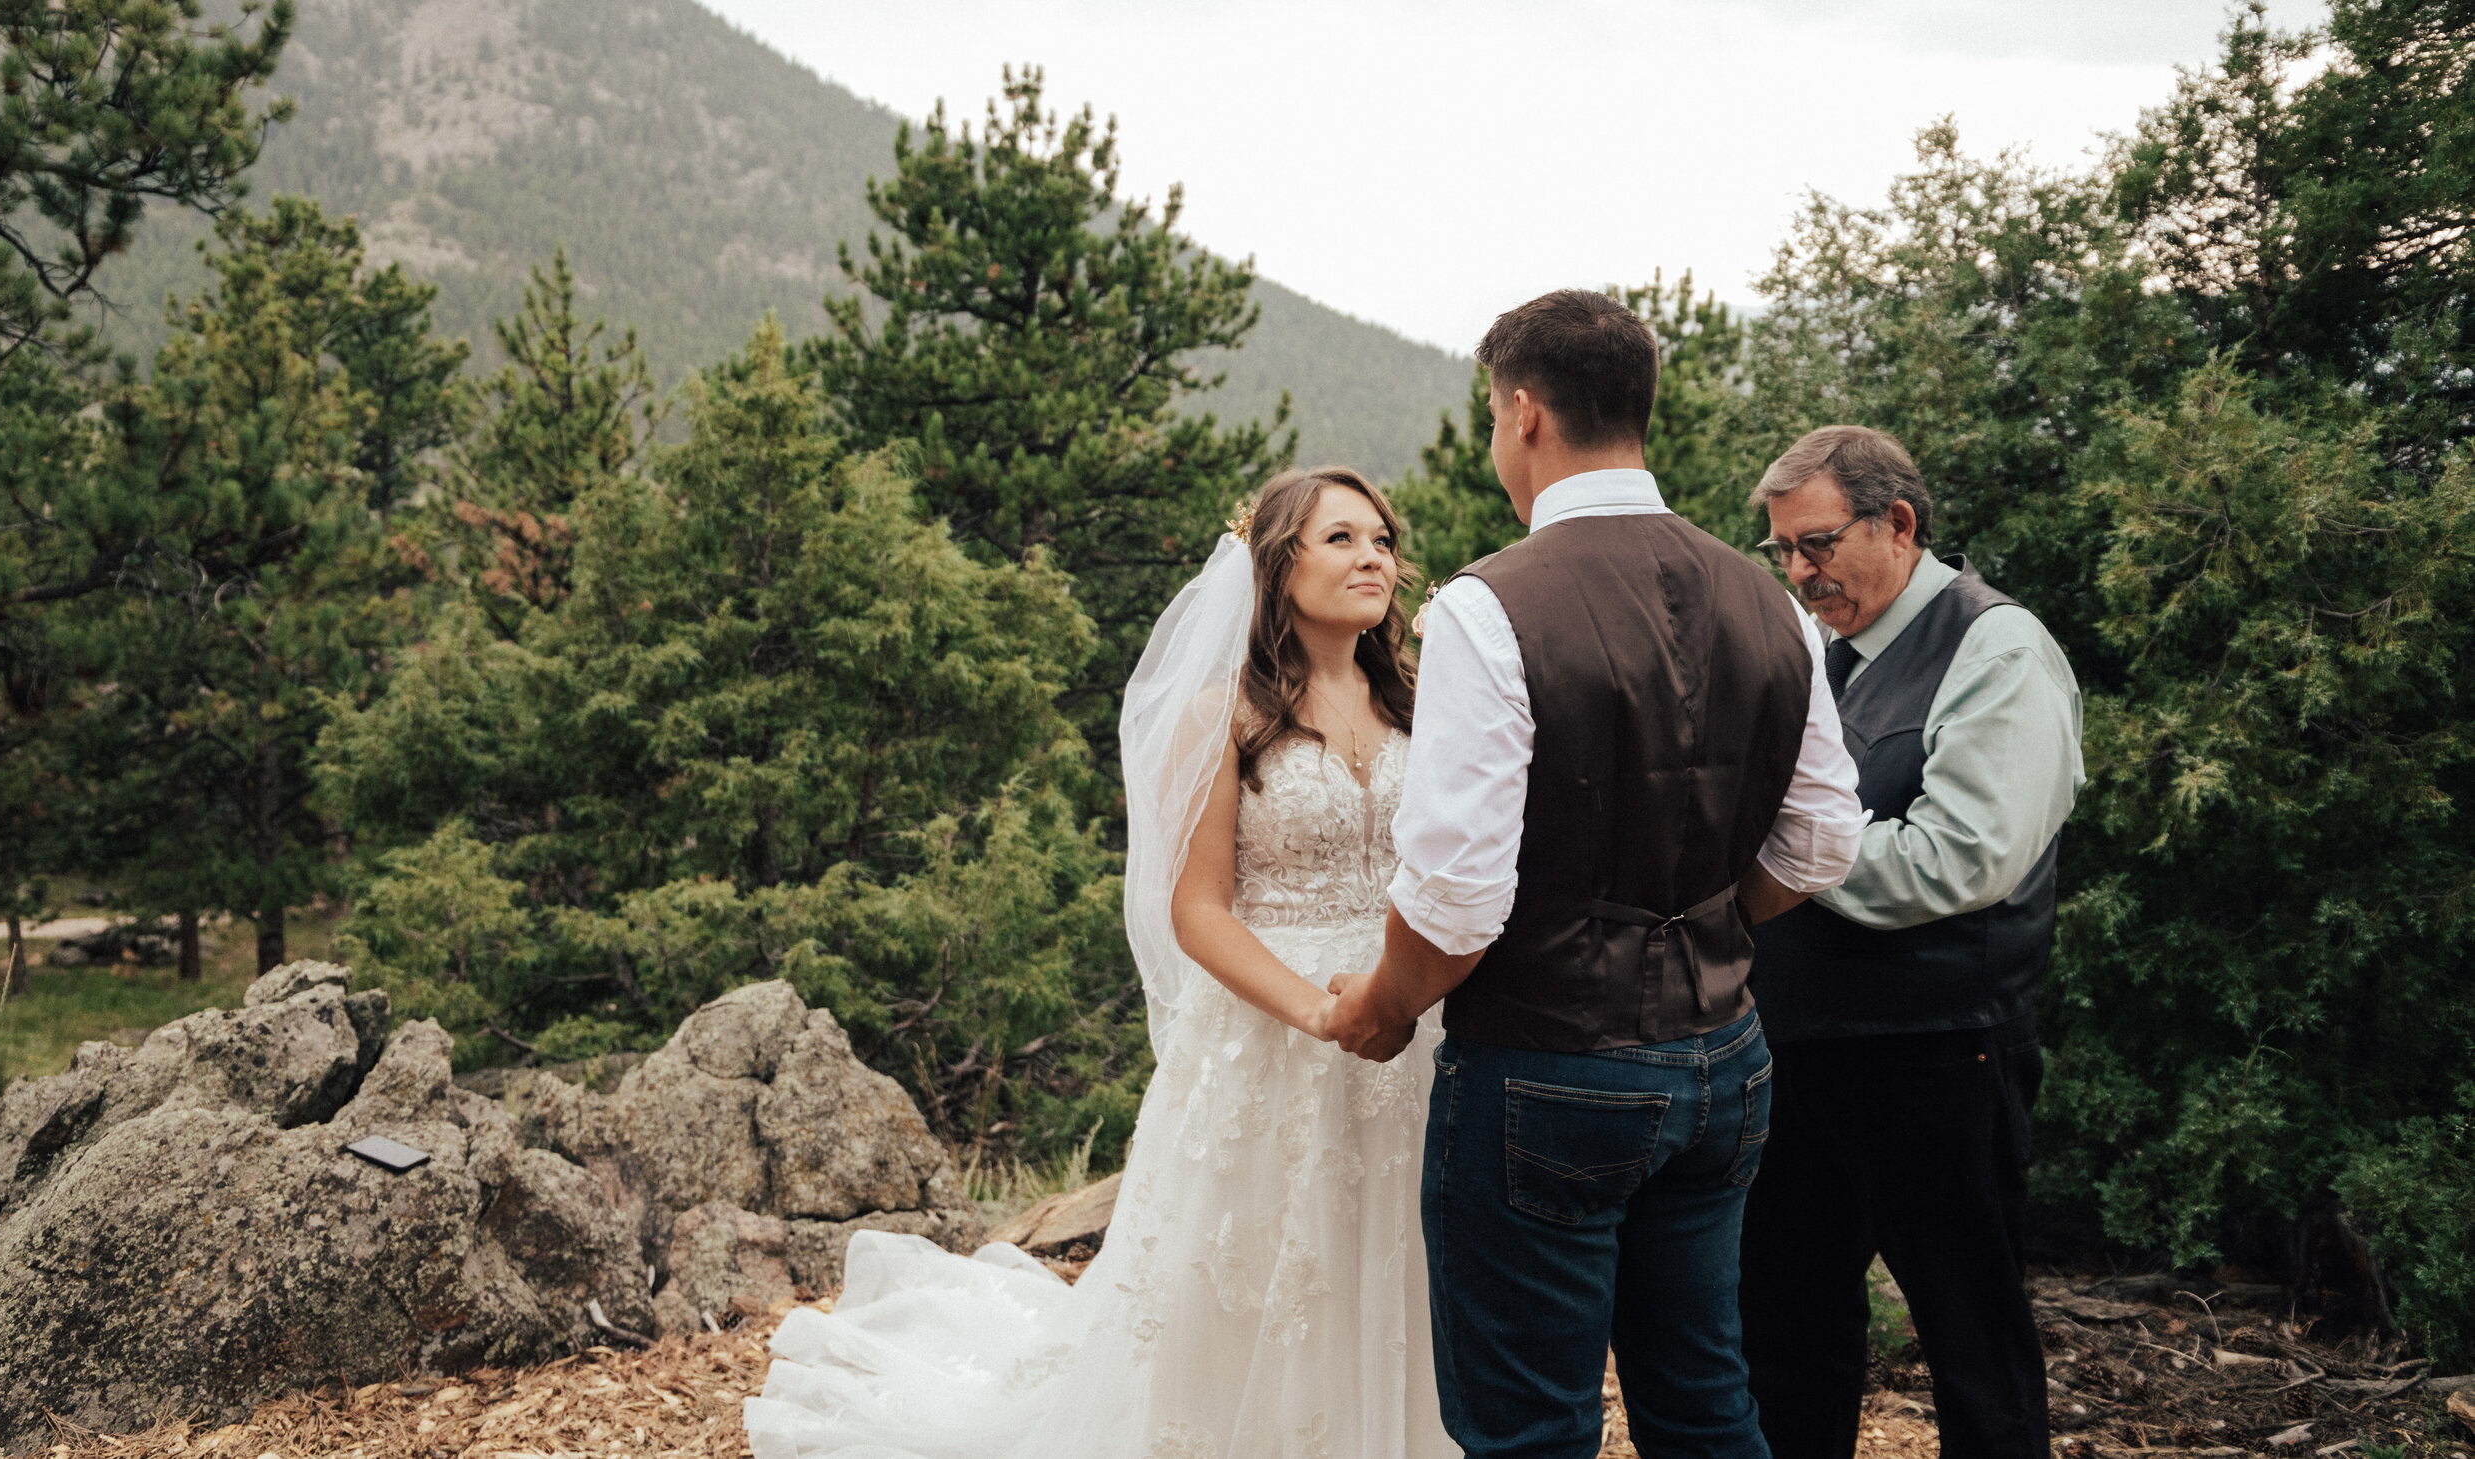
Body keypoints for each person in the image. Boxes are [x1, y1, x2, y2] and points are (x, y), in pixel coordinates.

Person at [744, 465, 1461, 1459]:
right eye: (1339, 538)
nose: (1372, 555)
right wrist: (1316, 1012)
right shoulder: (1225, 713)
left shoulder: (1423, 703)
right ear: (1276, 563)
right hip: (1277, 1034)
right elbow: (1196, 908)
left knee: (1392, 1264)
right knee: (1258, 1273)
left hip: (1412, 1027)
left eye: (1381, 537)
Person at [1324, 290, 1867, 1459]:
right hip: (1724, 1058)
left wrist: (1382, 1004)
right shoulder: (1768, 597)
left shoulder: (1487, 603)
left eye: (1487, 415)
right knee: (1707, 1399)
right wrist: (1705, 917)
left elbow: (1460, 892)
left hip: (1547, 1065)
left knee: (1532, 1429)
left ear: (1523, 412)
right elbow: (1823, 838)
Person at [1735, 425, 2084, 1459]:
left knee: (1970, 1339)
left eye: (1818, 543)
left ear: (1898, 522)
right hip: (1796, 1049)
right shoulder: (1816, 653)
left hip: (1939, 1050)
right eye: (1783, 551)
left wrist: (1777, 851)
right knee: (1787, 1332)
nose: (1800, 573)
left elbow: (1962, 856)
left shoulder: (1997, 645)